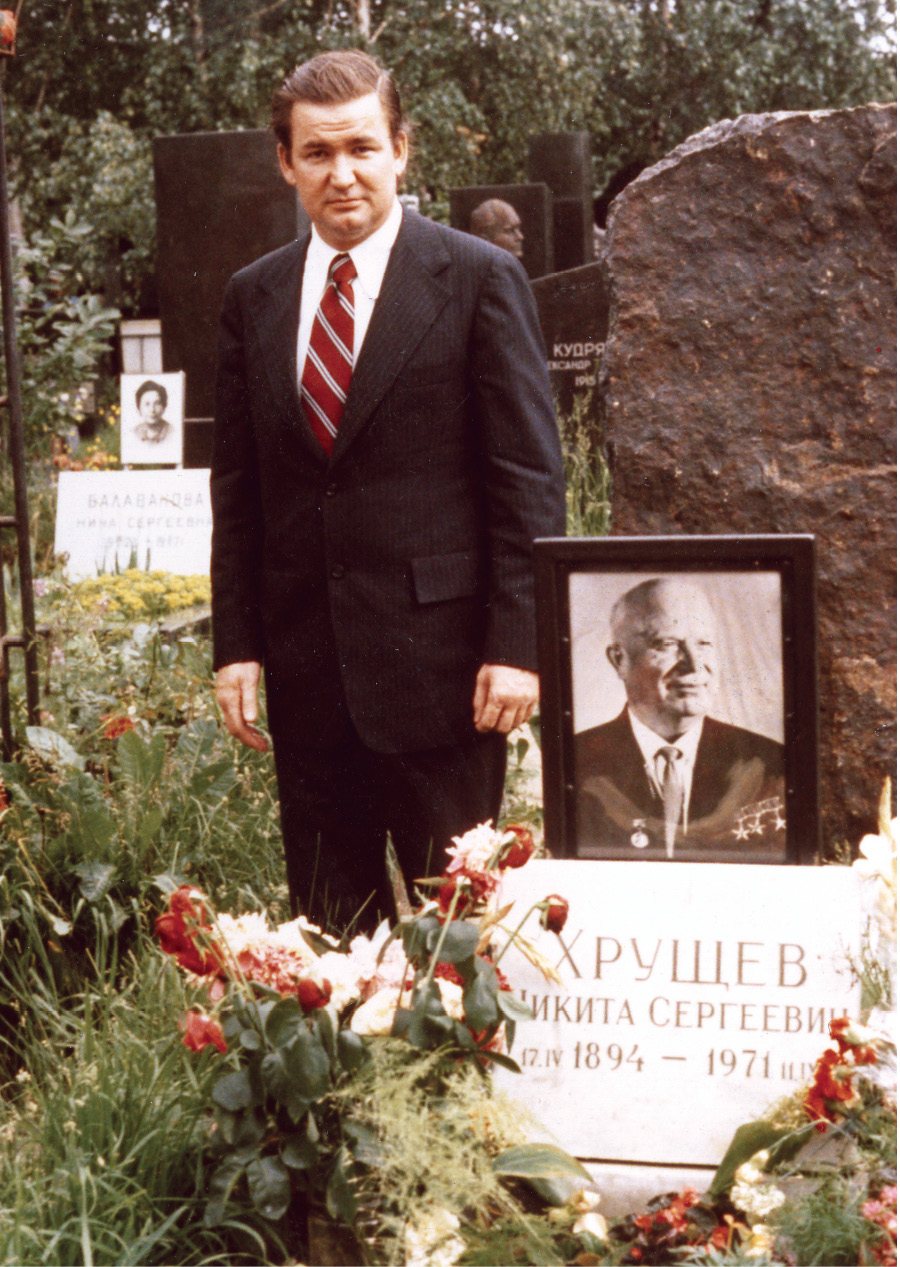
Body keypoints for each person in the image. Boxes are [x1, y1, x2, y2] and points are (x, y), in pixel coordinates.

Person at [211, 50, 565, 930]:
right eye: (319, 153)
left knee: (468, 940)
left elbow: (526, 477)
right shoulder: (252, 299)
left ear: (401, 150)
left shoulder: (478, 279)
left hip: (443, 676)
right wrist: (236, 644)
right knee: (331, 943)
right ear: (286, 163)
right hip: (307, 676)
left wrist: (519, 644)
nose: (344, 174)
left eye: (363, 147)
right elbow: (239, 488)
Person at [574, 578, 785, 858]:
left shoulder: (769, 766)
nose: (694, 665)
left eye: (704, 643)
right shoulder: (576, 762)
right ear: (619, 659)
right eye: (667, 644)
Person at [132, 381, 173, 445]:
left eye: (157, 403)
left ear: (164, 407)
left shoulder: (172, 432)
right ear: (139, 408)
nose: (152, 410)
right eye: (147, 404)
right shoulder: (134, 433)